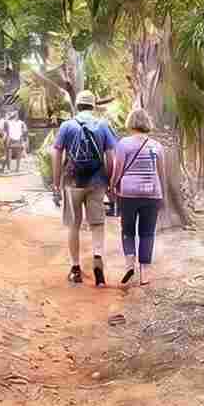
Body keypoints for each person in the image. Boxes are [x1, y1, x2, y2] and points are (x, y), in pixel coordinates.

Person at [51, 90, 118, 286]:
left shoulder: (66, 126)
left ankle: (75, 269)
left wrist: (56, 181)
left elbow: (56, 153)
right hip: (97, 182)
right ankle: (98, 261)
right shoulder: (103, 125)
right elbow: (111, 157)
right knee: (97, 224)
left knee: (74, 225)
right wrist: (110, 183)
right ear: (93, 106)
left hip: (72, 181)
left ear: (77, 106)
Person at [112, 107, 172, 286]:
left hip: (128, 194)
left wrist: (112, 185)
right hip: (152, 194)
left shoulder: (123, 144)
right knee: (147, 233)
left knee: (127, 230)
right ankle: (144, 274)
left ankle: (129, 265)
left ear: (131, 123)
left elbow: (118, 170)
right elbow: (161, 174)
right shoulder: (157, 146)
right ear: (147, 123)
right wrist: (163, 196)